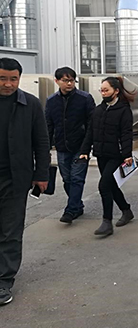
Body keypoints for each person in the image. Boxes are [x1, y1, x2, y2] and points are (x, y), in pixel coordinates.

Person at [0, 58, 50, 306]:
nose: (8, 84)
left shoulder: (30, 104)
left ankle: (3, 280)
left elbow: (41, 141)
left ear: (19, 79)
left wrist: (42, 174)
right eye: (2, 78)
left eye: (13, 79)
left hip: (15, 178)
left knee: (10, 231)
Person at [79, 77, 135, 237]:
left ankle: (107, 222)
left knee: (104, 185)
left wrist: (127, 154)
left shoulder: (124, 110)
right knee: (112, 185)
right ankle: (126, 210)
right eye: (101, 90)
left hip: (116, 155)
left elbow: (126, 134)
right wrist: (84, 150)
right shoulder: (98, 110)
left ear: (116, 91)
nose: (103, 93)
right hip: (101, 153)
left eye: (106, 90)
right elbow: (91, 131)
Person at [45, 66, 95, 223]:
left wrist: (87, 147)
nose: (69, 84)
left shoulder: (85, 98)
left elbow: (92, 124)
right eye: (65, 80)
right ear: (57, 81)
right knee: (67, 179)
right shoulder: (51, 101)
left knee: (77, 178)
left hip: (80, 146)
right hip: (61, 147)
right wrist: (46, 148)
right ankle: (77, 205)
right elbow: (48, 126)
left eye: (72, 80)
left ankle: (71, 210)